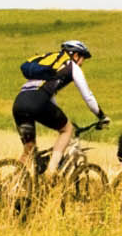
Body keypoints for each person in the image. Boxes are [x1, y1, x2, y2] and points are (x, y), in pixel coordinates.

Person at [13, 39, 107, 176]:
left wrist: (58, 114)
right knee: (67, 130)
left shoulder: (49, 64)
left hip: (19, 103)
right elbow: (88, 96)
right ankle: (50, 173)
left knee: (29, 150)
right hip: (37, 102)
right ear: (75, 55)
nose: (82, 63)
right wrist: (101, 116)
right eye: (82, 59)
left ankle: (12, 183)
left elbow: (47, 97)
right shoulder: (72, 67)